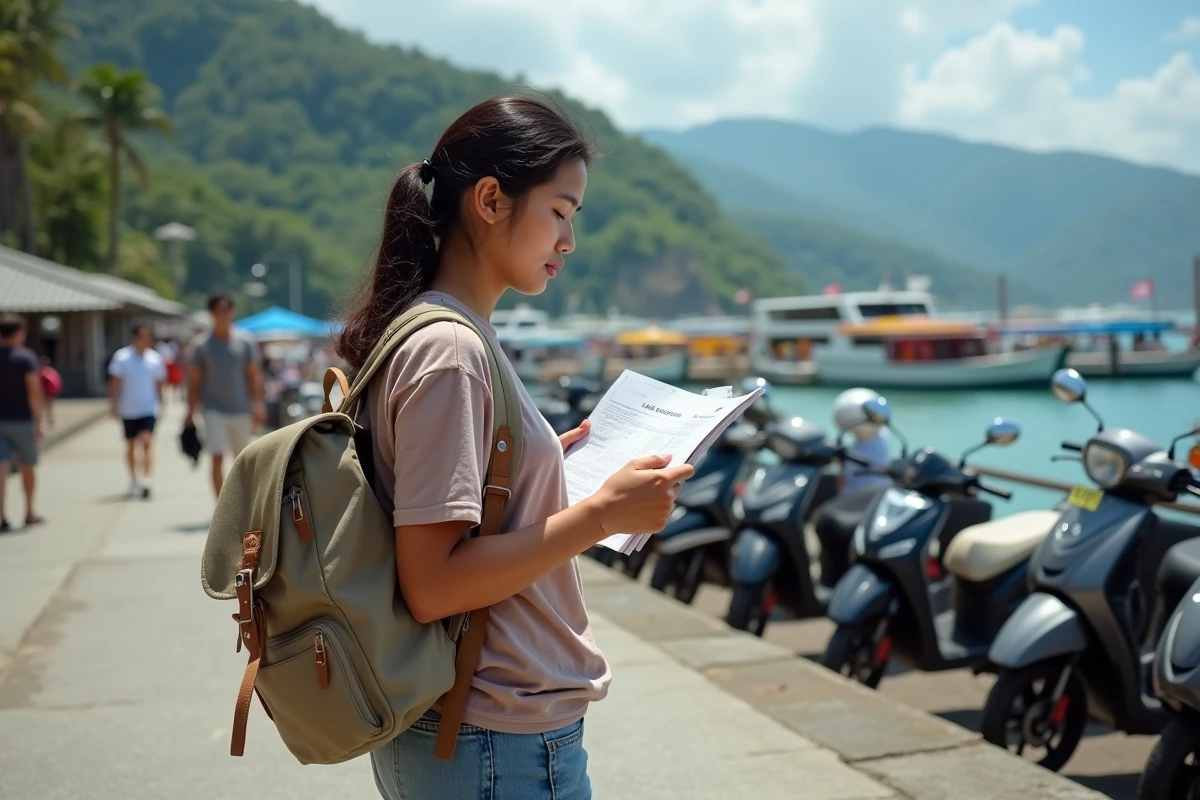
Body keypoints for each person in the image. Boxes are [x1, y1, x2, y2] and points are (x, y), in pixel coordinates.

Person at [335, 95, 694, 800]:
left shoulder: (434, 331)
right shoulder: (451, 351)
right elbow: (434, 585)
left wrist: (534, 468)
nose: (569, 240)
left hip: (470, 731)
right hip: (494, 742)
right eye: (559, 212)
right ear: (491, 200)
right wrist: (600, 516)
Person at [185, 293, 266, 498]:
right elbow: (194, 381)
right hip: (213, 409)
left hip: (241, 408)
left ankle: (243, 504)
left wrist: (258, 404)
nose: (223, 315)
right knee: (217, 457)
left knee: (243, 459)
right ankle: (221, 506)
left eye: (227, 310)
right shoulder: (201, 345)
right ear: (211, 314)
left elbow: (254, 376)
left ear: (232, 312)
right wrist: (190, 411)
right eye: (219, 311)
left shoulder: (245, 341)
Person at [108, 324, 167, 499]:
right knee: (131, 444)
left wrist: (162, 403)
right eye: (142, 336)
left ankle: (146, 479)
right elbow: (115, 382)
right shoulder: (122, 357)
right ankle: (134, 479)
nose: (146, 340)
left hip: (148, 408)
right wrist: (113, 404)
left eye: (148, 336)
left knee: (147, 442)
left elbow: (159, 383)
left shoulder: (155, 358)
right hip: (128, 409)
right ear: (134, 338)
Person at [0, 314, 45, 531]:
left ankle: (1, 516)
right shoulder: (25, 358)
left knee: (1, 468)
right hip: (21, 420)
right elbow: (34, 391)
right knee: (27, 465)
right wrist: (39, 420)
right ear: (18, 333)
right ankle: (29, 511)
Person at [832, 387, 894, 496]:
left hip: (857, 499)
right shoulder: (883, 434)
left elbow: (842, 485)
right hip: (883, 495)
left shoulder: (849, 457)